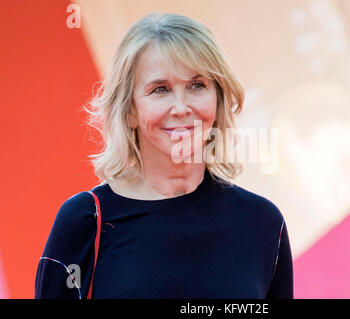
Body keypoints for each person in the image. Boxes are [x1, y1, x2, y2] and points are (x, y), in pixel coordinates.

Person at [35, 12, 293, 299]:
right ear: (130, 110)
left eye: (197, 85)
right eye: (160, 89)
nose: (181, 108)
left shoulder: (263, 222)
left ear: (218, 98)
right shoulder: (84, 220)